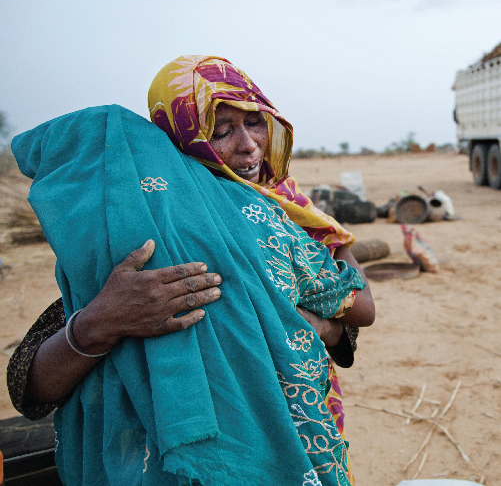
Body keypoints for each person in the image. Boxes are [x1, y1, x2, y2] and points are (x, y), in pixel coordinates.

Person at [8, 56, 375, 485]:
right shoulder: (148, 231)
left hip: (305, 426)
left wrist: (320, 325)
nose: (249, 145)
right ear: (181, 141)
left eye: (255, 121)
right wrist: (100, 322)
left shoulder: (287, 211)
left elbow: (348, 320)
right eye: (220, 131)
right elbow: (27, 386)